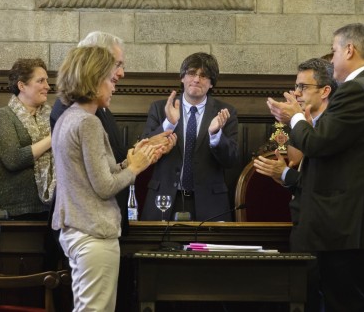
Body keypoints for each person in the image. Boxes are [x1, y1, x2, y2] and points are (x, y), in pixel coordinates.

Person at [268, 23, 364, 312]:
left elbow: (317, 143)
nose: (333, 57)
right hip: (353, 223)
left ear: (349, 49)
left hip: (348, 225)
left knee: (348, 305)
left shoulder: (356, 90)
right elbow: (337, 144)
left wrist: (295, 118)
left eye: (335, 50)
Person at [51, 46, 161, 312]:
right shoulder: (88, 123)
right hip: (93, 233)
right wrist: (134, 169)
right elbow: (104, 186)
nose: (115, 87)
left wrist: (131, 160)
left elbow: (94, 174)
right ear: (94, 78)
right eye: (112, 80)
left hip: (78, 229)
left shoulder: (68, 117)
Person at [50, 31, 174, 231]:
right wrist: (134, 166)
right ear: (96, 65)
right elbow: (101, 182)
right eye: (117, 64)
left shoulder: (96, 107)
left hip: (99, 220)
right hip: (87, 223)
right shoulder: (80, 112)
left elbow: (108, 158)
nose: (122, 73)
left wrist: (145, 150)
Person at [253, 57, 336, 312]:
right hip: (303, 222)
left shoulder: (332, 126)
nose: (297, 93)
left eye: (303, 87)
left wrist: (287, 176)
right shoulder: (302, 123)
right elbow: (303, 171)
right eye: (296, 86)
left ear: (325, 91)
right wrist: (285, 177)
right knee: (303, 296)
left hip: (326, 229)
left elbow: (327, 181)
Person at [141, 52, 239, 221]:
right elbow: (144, 151)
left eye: (203, 75)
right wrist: (168, 125)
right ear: (182, 78)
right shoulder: (160, 109)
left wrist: (215, 134)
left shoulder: (225, 113)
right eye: (191, 73)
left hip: (210, 204)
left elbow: (231, 160)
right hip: (164, 200)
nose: (196, 79)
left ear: (211, 83)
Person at [0, 58, 55, 220]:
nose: (47, 86)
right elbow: (13, 159)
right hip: (15, 210)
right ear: (22, 86)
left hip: (52, 206)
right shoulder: (3, 116)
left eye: (47, 81)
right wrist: (53, 138)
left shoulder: (53, 116)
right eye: (40, 81)